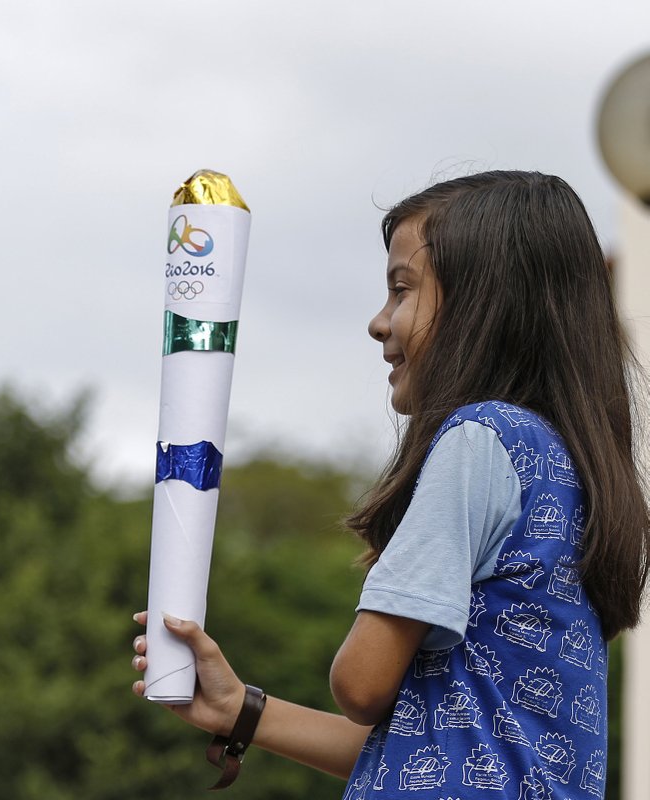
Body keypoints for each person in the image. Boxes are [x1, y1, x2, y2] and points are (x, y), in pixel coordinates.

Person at [132, 170, 650, 798]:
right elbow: (415, 750)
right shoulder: (568, 471)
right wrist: (239, 710)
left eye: (402, 290)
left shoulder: (478, 439)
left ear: (485, 305)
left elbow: (360, 685)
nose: (379, 322)